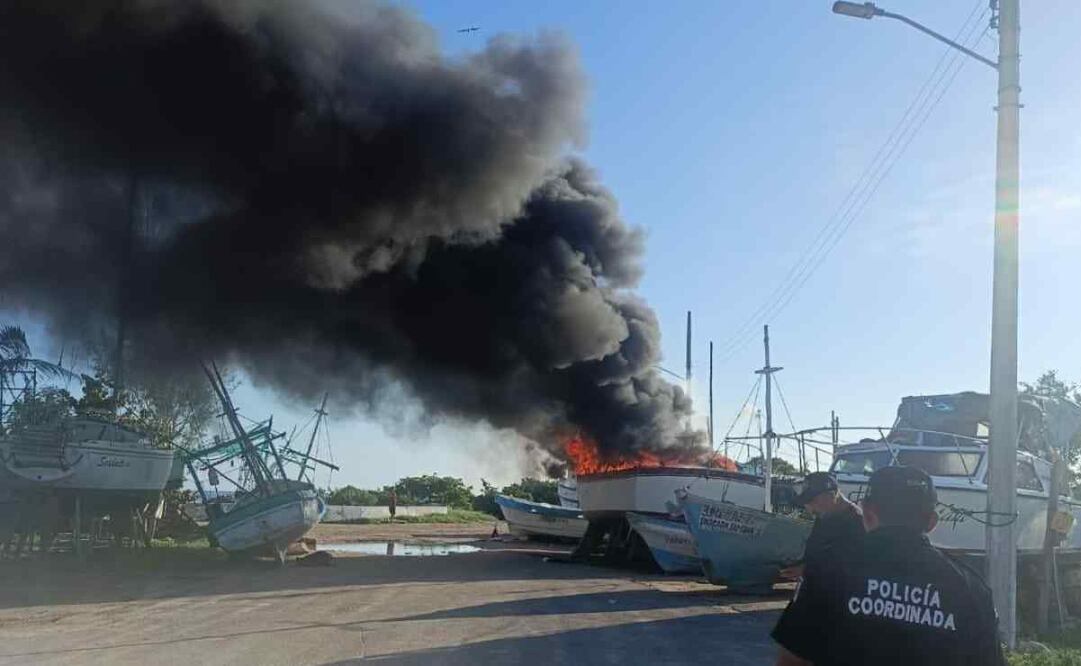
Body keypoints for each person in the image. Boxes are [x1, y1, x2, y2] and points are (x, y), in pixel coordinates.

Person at [771, 465, 1006, 666]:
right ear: (932, 522)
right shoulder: (971, 588)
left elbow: (791, 660)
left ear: (868, 513)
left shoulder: (826, 572)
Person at [779, 472, 864, 580]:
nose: (810, 509)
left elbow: (850, 565)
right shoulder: (824, 516)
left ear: (832, 494)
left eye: (812, 501)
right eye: (807, 504)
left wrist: (807, 569)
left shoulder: (858, 522)